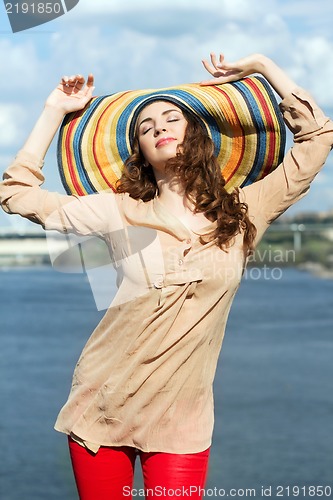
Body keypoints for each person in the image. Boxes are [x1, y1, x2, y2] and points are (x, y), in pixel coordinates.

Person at [0, 52, 332, 500]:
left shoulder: (244, 211)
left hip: (183, 421)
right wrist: (53, 111)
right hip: (102, 409)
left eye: (171, 117)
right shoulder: (117, 212)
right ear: (139, 149)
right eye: (145, 125)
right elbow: (17, 194)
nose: (158, 126)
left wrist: (263, 67)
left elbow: (317, 138)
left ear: (196, 134)